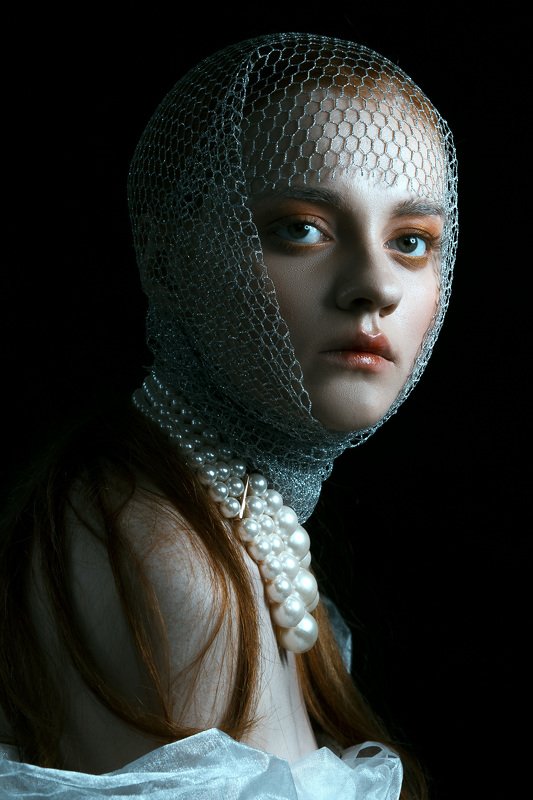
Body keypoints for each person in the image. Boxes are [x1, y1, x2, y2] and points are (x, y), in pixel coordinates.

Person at [0, 30, 458, 799]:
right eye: (300, 228)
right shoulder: (167, 563)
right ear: (173, 252)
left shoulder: (230, 524)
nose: (375, 286)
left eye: (410, 241)